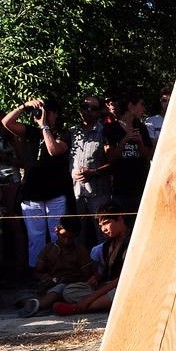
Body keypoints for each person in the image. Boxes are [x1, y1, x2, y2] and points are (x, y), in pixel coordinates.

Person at [3, 98, 72, 267]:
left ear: (56, 114)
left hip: (55, 195)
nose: (44, 115)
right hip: (31, 195)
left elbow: (54, 150)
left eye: (48, 112)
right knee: (35, 238)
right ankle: (37, 272)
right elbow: (7, 122)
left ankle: (59, 271)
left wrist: (45, 127)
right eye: (42, 111)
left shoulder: (64, 134)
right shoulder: (31, 132)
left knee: (58, 236)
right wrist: (24, 106)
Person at [53, 210, 129, 316]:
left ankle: (77, 308)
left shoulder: (132, 242)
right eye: (101, 225)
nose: (104, 229)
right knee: (69, 291)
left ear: (120, 219)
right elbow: (104, 273)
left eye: (107, 223)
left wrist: (89, 298)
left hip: (123, 285)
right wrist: (97, 277)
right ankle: (102, 302)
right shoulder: (106, 245)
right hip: (106, 286)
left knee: (122, 292)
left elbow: (122, 279)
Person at [100, 94, 154, 215]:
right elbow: (110, 157)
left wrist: (140, 142)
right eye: (141, 105)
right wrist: (125, 139)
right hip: (121, 190)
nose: (144, 109)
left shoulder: (142, 128)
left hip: (142, 189)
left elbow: (148, 157)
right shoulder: (110, 129)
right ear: (131, 106)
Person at [69, 96, 111, 246]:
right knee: (77, 236)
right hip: (77, 193)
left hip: (99, 193)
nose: (88, 111)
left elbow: (114, 163)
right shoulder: (72, 132)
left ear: (99, 112)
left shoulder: (105, 132)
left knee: (103, 234)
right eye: (84, 106)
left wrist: (93, 172)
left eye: (93, 108)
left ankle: (104, 268)